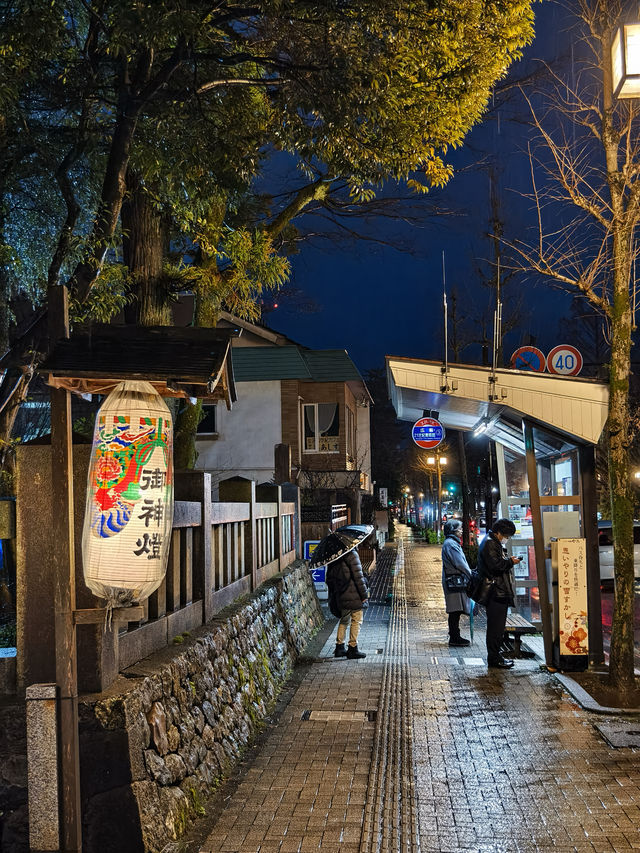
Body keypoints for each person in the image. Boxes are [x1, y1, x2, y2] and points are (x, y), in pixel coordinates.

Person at [477, 518, 520, 669]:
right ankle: (494, 658)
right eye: (507, 536)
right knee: (496, 627)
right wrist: (510, 562)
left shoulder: (492, 541)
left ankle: (495, 656)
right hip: (496, 592)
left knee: (497, 627)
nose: (507, 539)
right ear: (500, 532)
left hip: (498, 591)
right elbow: (495, 566)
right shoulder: (490, 542)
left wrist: (508, 561)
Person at [326, 547, 369, 660]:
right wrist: (364, 596)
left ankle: (339, 647)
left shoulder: (334, 556)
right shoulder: (352, 554)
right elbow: (358, 577)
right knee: (356, 620)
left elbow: (329, 579)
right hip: (354, 595)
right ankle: (352, 648)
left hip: (341, 595)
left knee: (344, 620)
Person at [441, 519, 472, 647]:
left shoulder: (450, 543)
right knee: (455, 610)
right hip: (454, 581)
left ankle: (455, 635)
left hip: (453, 580)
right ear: (453, 530)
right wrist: (470, 574)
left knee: (456, 610)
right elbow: (460, 563)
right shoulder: (451, 544)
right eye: (459, 528)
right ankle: (454, 637)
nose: (461, 530)